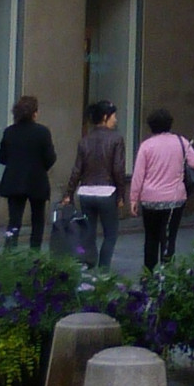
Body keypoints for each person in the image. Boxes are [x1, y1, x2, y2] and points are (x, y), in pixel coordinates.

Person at [130, 108, 194, 270]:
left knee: (151, 237)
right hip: (175, 199)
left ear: (151, 127)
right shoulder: (181, 142)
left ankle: (148, 273)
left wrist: (134, 198)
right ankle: (167, 274)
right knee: (169, 238)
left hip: (150, 200)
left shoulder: (146, 146)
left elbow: (138, 175)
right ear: (170, 124)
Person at [65, 100, 128, 268]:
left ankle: (90, 266)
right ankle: (104, 271)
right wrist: (122, 194)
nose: (116, 119)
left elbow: (77, 169)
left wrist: (68, 193)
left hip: (85, 191)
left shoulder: (85, 140)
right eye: (114, 116)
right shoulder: (116, 139)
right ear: (106, 117)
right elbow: (118, 169)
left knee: (89, 233)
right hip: (107, 191)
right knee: (110, 234)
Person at [0, 94, 55, 250]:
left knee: (14, 221)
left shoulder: (10, 132)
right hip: (37, 180)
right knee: (38, 220)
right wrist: (40, 167)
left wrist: (15, 164)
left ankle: (10, 254)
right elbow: (50, 158)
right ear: (34, 113)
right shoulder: (42, 132)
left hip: (14, 180)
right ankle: (34, 254)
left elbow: (1, 158)